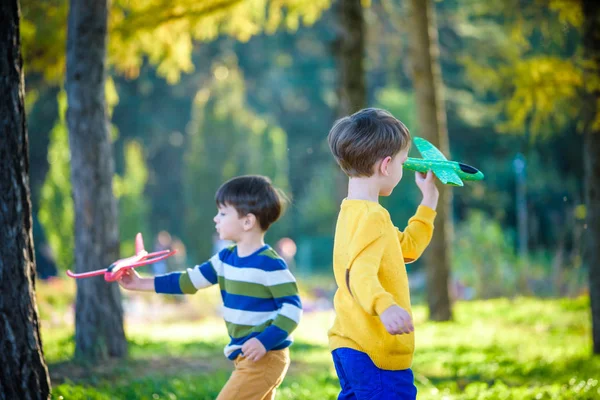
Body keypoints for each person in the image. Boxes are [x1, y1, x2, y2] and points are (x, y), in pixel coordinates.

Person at [118, 175, 302, 400]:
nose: (216, 219)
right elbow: (188, 281)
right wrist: (139, 283)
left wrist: (265, 340)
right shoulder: (225, 258)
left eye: (223, 213)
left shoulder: (270, 264)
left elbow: (292, 308)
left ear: (247, 222)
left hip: (266, 356)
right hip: (247, 356)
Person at [327, 108, 439, 400]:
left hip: (350, 344)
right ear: (387, 165)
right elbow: (359, 274)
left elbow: (407, 249)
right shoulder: (373, 217)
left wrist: (428, 203)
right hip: (374, 348)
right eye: (403, 162)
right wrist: (385, 306)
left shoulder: (351, 211)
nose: (403, 170)